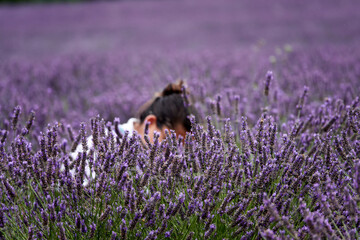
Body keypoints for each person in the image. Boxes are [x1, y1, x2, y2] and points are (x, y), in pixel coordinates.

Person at [69, 80, 196, 185]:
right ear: (149, 123)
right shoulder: (102, 144)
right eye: (168, 142)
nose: (170, 154)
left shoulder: (157, 164)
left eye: (179, 149)